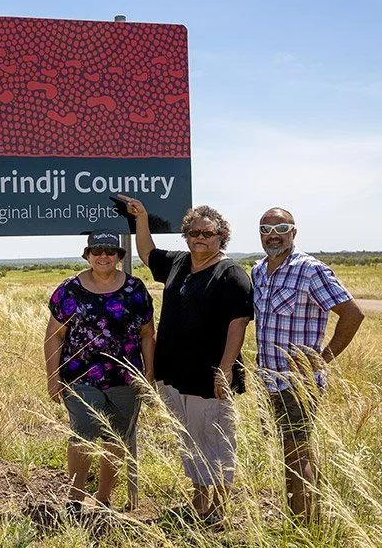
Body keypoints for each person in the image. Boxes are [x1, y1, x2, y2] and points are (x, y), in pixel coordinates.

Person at [116, 195, 253, 524]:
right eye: (194, 232)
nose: (200, 238)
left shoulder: (231, 273)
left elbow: (238, 325)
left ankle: (217, 512)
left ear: (221, 235)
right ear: (186, 236)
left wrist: (224, 370)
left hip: (210, 377)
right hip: (175, 372)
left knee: (216, 440)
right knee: (189, 439)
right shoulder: (178, 263)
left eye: (208, 233)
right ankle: (199, 502)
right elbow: (148, 254)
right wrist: (142, 218)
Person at [252, 208, 364, 521]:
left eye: (281, 227)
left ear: (294, 232)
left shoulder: (310, 270)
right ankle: (299, 518)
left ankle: (305, 524)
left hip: (297, 383)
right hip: (268, 380)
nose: (273, 234)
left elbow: (353, 315)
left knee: (296, 452)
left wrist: (321, 360)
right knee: (287, 451)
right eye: (265, 228)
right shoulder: (259, 271)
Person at [44, 229, 155, 515]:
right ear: (88, 256)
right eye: (97, 251)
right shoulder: (69, 289)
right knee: (83, 432)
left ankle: (104, 499)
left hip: (126, 378)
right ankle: (75, 498)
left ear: (119, 256)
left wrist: (149, 376)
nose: (103, 256)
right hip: (81, 377)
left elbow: (147, 334)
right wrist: (52, 377)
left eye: (109, 251)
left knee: (116, 439)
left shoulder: (135, 289)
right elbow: (54, 335)